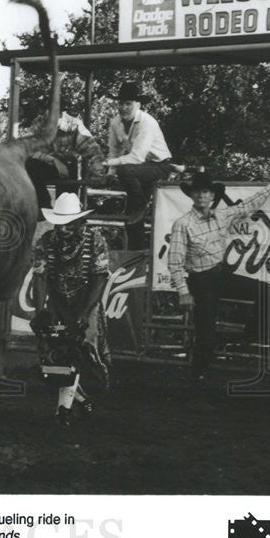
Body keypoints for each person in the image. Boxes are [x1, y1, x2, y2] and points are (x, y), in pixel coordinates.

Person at [168, 169, 270, 382]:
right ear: (191, 196)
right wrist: (183, 292)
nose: (202, 196)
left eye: (206, 192)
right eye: (197, 192)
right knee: (206, 334)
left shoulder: (222, 215)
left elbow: (248, 204)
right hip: (200, 281)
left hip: (221, 274)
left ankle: (250, 337)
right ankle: (197, 382)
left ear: (213, 195)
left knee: (268, 291)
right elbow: (175, 262)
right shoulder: (183, 224)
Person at [29, 192, 111, 423]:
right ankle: (81, 402)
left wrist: (85, 314)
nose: (62, 229)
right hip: (58, 302)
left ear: (79, 222)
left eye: (68, 224)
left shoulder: (96, 241)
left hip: (86, 302)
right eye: (59, 224)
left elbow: (99, 278)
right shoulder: (45, 242)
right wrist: (41, 312)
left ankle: (63, 410)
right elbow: (40, 276)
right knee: (56, 357)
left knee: (78, 351)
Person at [101, 82, 174, 249]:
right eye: (121, 103)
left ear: (138, 105)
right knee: (132, 219)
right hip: (137, 169)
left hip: (158, 166)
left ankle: (140, 206)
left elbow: (137, 156)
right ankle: (136, 257)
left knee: (126, 173)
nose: (124, 108)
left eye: (128, 104)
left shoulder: (147, 123)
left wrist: (108, 164)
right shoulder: (115, 123)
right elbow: (114, 149)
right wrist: (110, 173)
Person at [25, 110, 106, 214]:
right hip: (44, 167)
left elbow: (91, 147)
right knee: (30, 163)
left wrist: (98, 167)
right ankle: (42, 206)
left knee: (70, 160)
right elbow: (26, 148)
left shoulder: (73, 124)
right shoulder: (38, 123)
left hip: (67, 169)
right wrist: (53, 160)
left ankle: (67, 214)